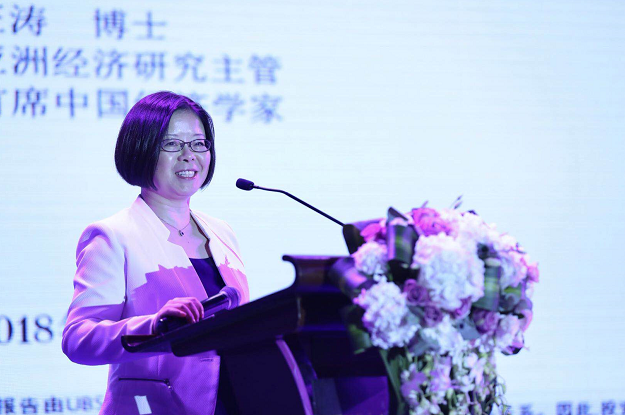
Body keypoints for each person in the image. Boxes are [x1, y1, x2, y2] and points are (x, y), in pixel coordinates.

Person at [62, 91, 249, 415]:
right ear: (142, 149)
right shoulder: (113, 236)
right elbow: (78, 339)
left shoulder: (222, 232)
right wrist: (152, 326)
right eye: (172, 144)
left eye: (199, 143)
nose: (189, 156)